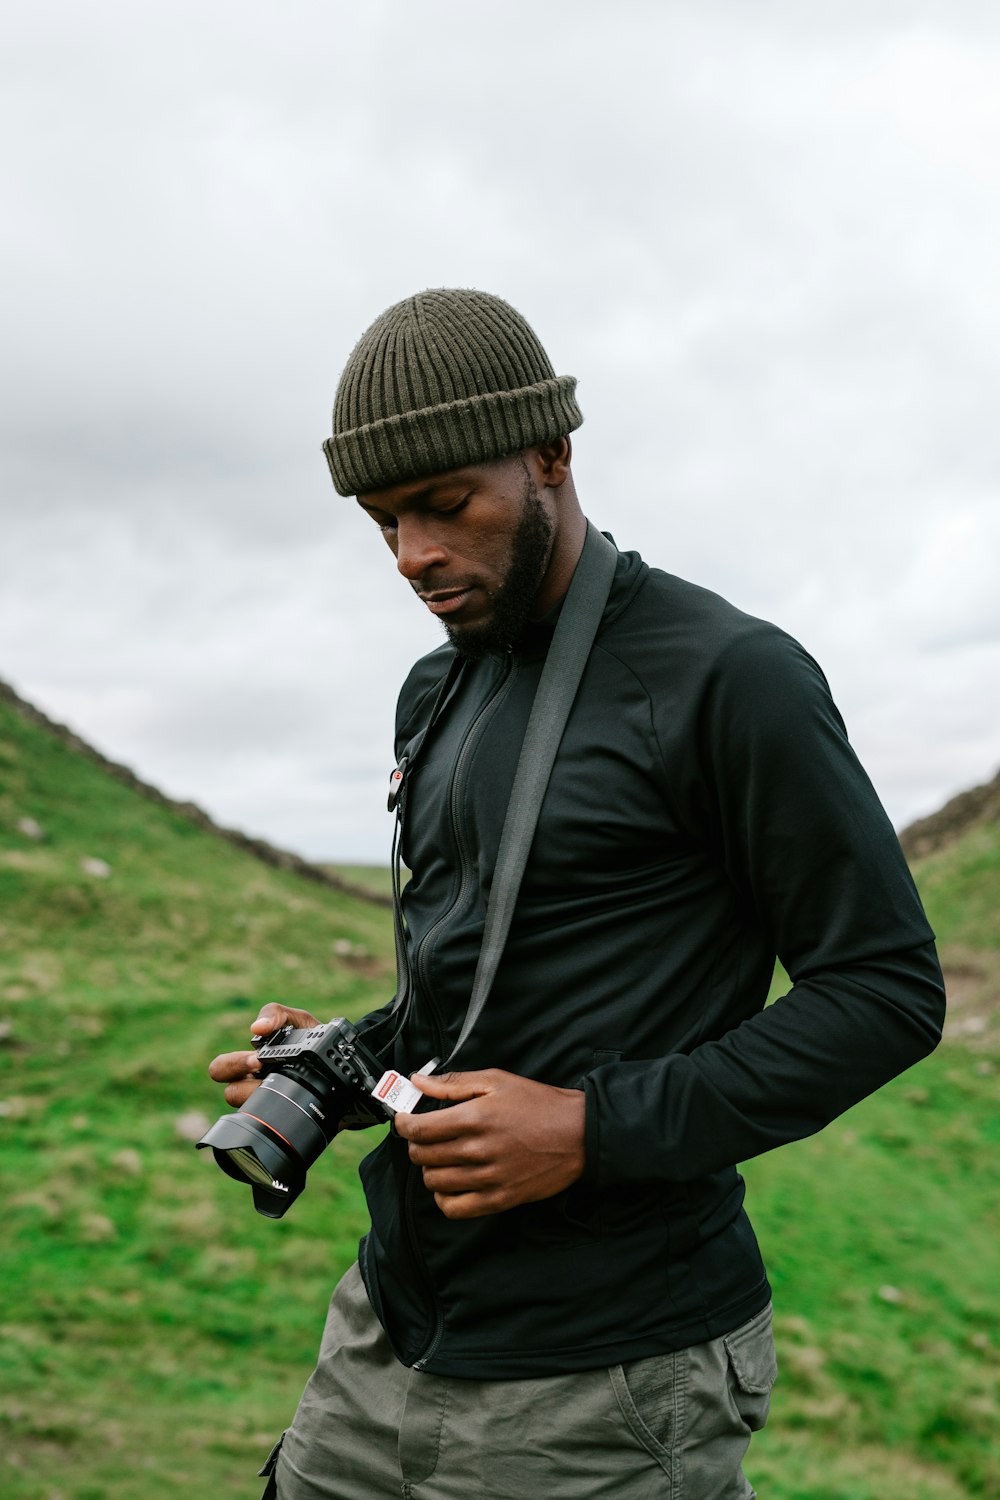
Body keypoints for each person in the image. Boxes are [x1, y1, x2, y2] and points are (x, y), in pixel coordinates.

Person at [209, 289, 945, 1499]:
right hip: (387, 1325)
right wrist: (342, 1063)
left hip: (609, 1379)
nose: (413, 555)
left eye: (446, 504)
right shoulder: (432, 693)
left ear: (551, 454)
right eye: (383, 520)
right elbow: (474, 983)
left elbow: (886, 991)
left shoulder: (730, 678)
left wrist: (589, 1130)